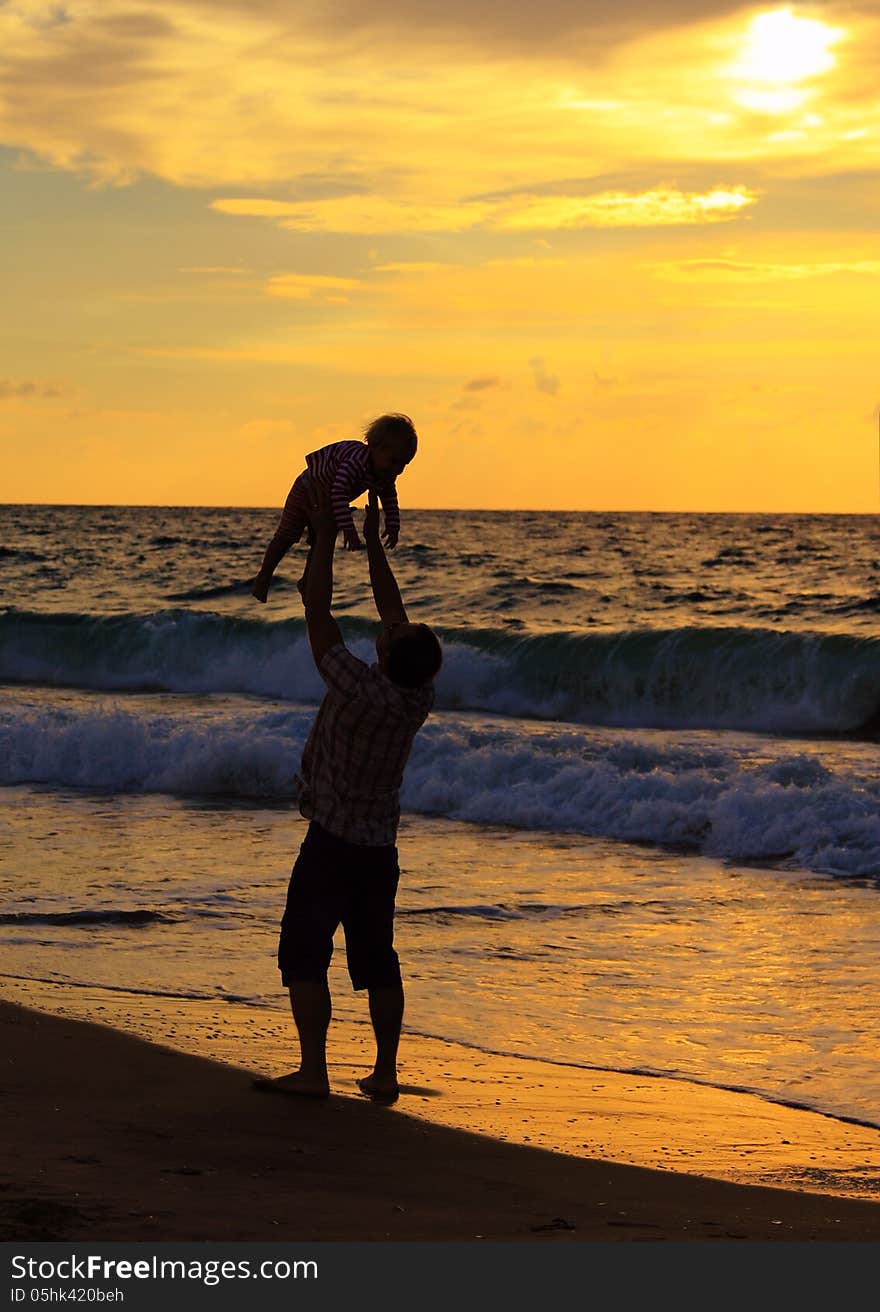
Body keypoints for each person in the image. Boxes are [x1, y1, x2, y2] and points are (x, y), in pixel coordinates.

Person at [256, 483, 442, 1103]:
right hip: (378, 849)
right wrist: (372, 551)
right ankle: (385, 1072)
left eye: (387, 639)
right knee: (377, 957)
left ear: (385, 658)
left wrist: (324, 542)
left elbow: (318, 613)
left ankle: (315, 1072)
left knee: (304, 952)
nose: (384, 634)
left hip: (331, 842)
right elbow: (394, 616)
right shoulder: (417, 697)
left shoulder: (354, 686)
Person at [251, 413, 418, 603]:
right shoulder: (356, 463)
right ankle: (264, 576)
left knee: (318, 540)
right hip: (307, 488)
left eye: (403, 464)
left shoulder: (384, 472)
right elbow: (339, 493)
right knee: (287, 534)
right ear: (373, 447)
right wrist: (348, 530)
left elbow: (389, 497)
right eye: (393, 461)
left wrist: (393, 525)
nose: (396, 469)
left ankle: (308, 580)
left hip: (330, 497)